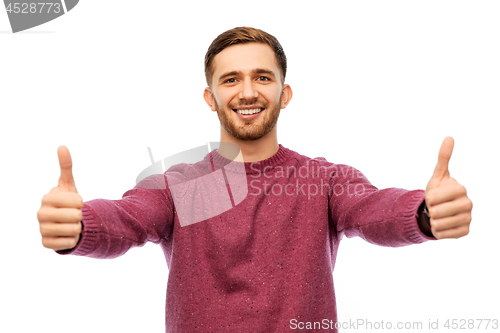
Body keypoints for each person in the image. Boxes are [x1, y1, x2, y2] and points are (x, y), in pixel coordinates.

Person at [37, 27, 473, 332]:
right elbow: (128, 217)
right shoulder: (179, 185)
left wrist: (423, 215)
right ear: (211, 98)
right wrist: (79, 227)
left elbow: (371, 209)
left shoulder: (322, 179)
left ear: (284, 93)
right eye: (231, 80)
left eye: (262, 77)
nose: (247, 92)